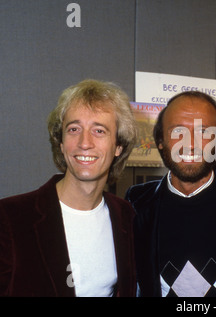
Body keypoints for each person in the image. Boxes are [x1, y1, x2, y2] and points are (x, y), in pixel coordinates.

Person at [0, 79, 138, 296]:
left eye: (99, 131)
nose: (84, 142)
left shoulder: (126, 217)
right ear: (61, 143)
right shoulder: (10, 218)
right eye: (74, 129)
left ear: (118, 146)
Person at [126, 91, 216, 297]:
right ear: (160, 141)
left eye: (203, 132)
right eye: (177, 132)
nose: (190, 143)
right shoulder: (135, 203)